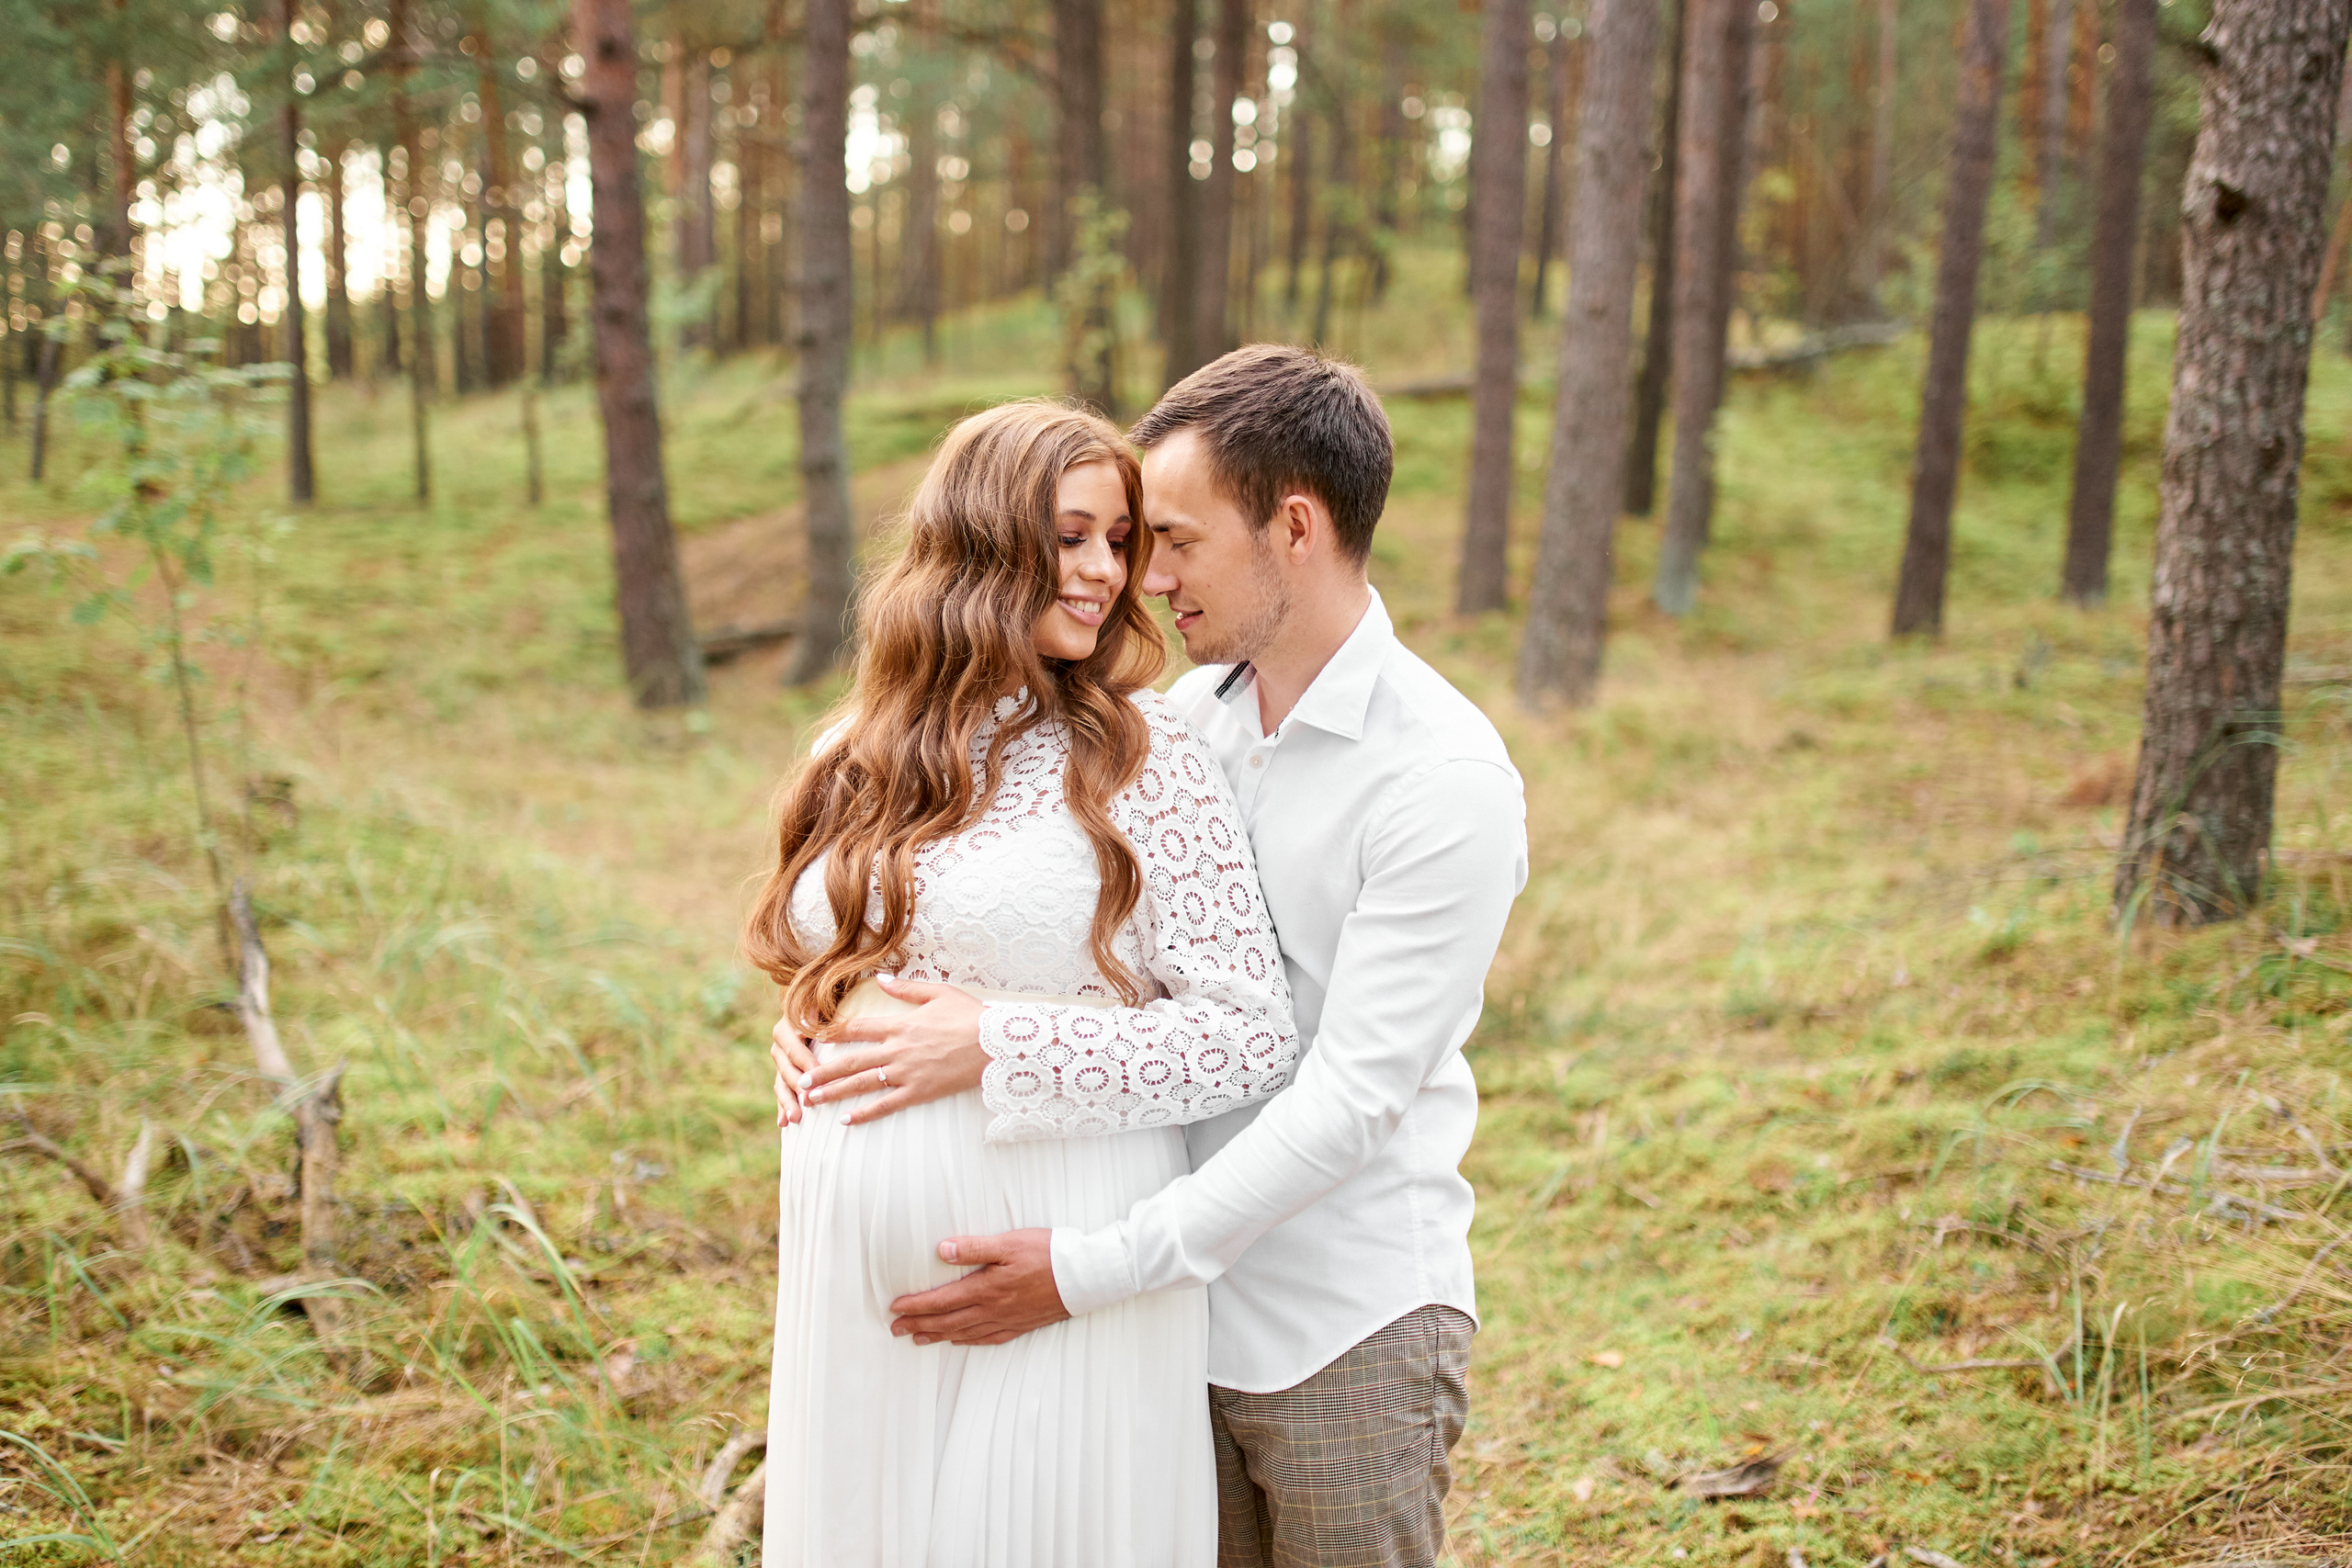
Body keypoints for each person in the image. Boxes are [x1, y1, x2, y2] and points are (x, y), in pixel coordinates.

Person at [784, 346, 1530, 1568]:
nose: (1144, 575)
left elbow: (1347, 1096)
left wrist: (1085, 1266)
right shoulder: (1177, 723)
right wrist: (828, 1018)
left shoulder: (1439, 777)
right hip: (1152, 1306)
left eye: (1169, 538)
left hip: (1330, 1314)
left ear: (1295, 525)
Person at [742, 399, 1300, 1568]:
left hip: (1063, 1278)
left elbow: (1249, 1038)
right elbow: (838, 959)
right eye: (1072, 535)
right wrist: (806, 1021)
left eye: (1122, 540)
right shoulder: (853, 749)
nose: (1108, 573)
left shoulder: (1145, 755)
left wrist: (997, 1045)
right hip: (855, 1298)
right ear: (980, 539)